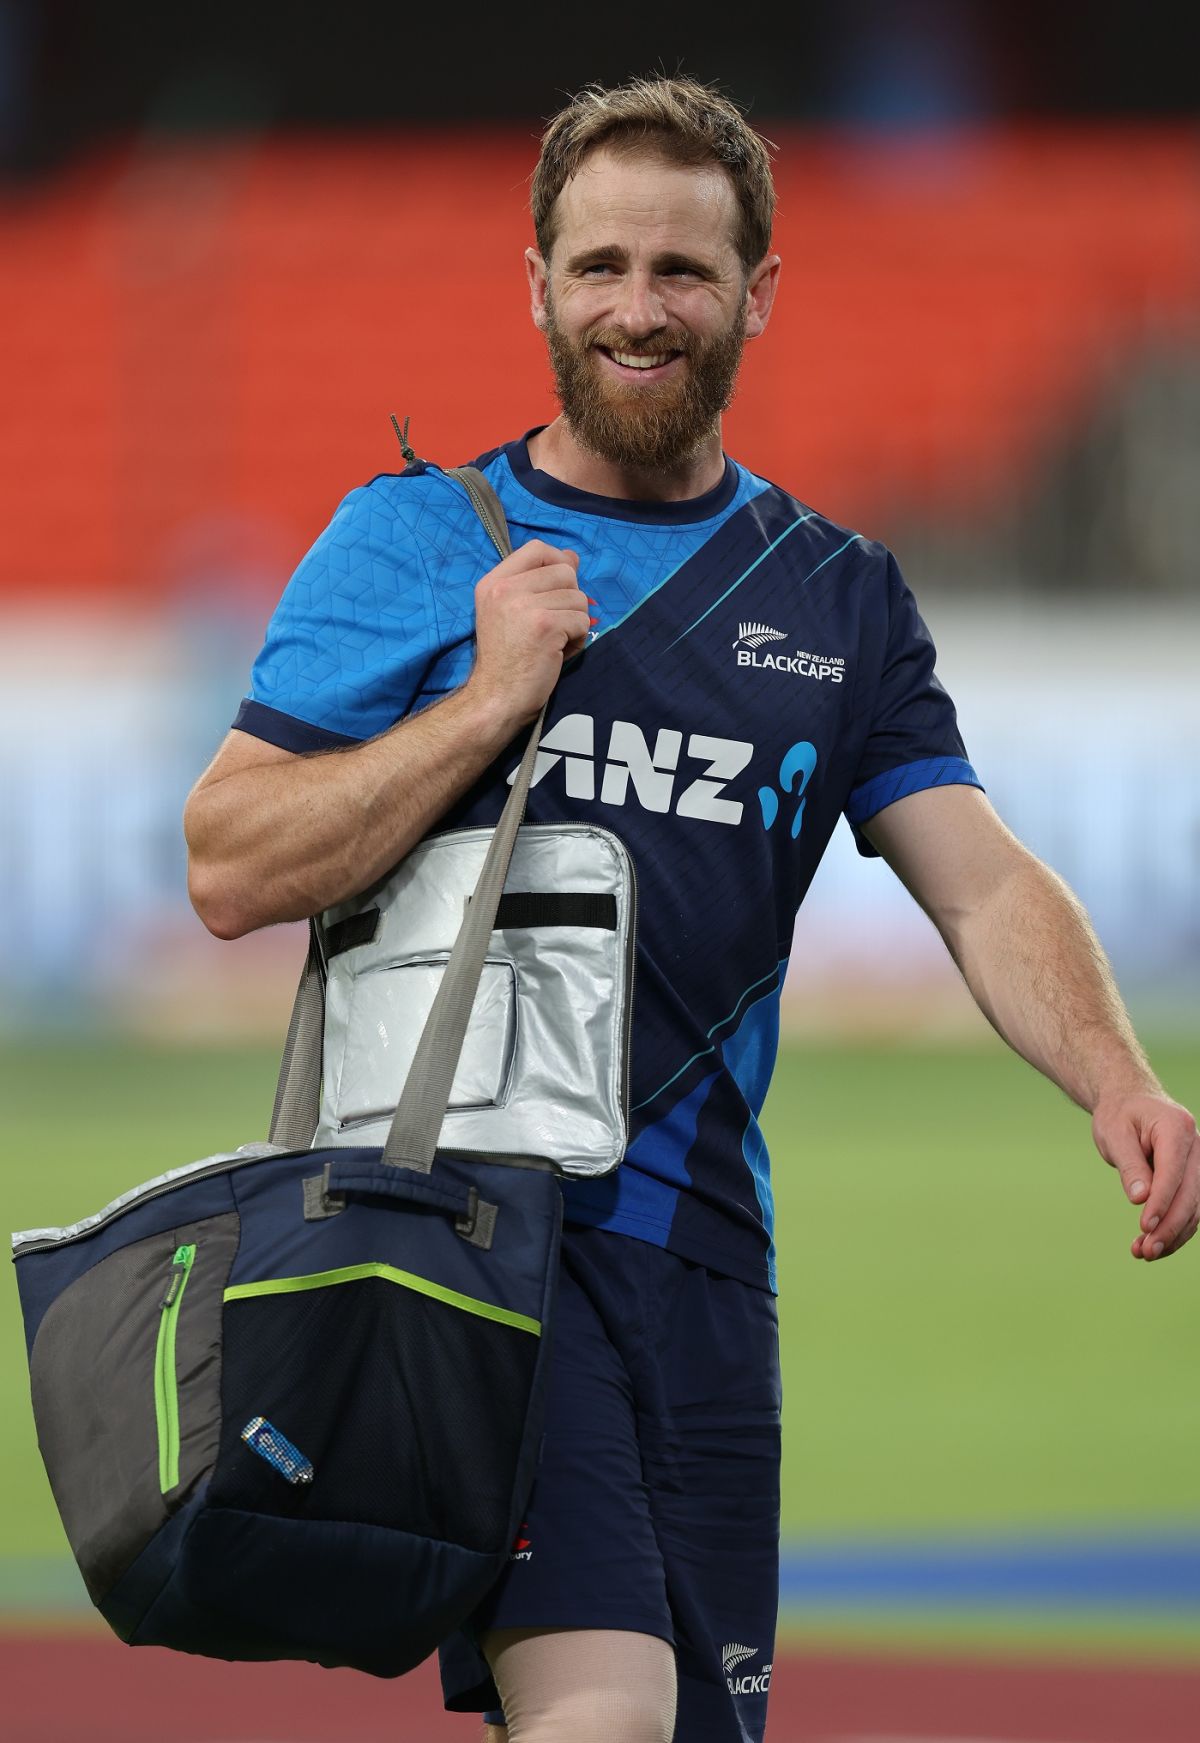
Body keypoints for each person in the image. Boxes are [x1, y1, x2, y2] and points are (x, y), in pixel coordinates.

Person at [183, 75, 1199, 1743]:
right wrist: (485, 700)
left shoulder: (839, 597)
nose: (637, 310)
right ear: (536, 285)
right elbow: (230, 862)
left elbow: (985, 879)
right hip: (482, 1251)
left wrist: (1116, 1073)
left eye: (681, 271)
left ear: (757, 293)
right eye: (597, 269)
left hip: (712, 1277)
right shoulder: (425, 540)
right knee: (604, 1723)